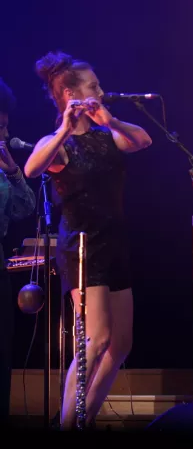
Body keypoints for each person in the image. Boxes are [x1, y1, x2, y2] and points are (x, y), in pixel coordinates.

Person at [24, 51, 153, 429]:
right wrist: (65, 127)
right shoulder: (58, 143)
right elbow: (33, 168)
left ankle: (84, 419)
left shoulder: (105, 136)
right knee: (96, 339)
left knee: (121, 343)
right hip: (82, 249)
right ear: (70, 94)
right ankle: (66, 425)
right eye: (93, 86)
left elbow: (143, 140)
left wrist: (109, 118)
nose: (101, 89)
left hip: (114, 242)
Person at [0, 77, 36, 428]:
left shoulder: (3, 167)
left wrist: (12, 171)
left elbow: (26, 208)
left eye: (5, 124)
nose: (3, 130)